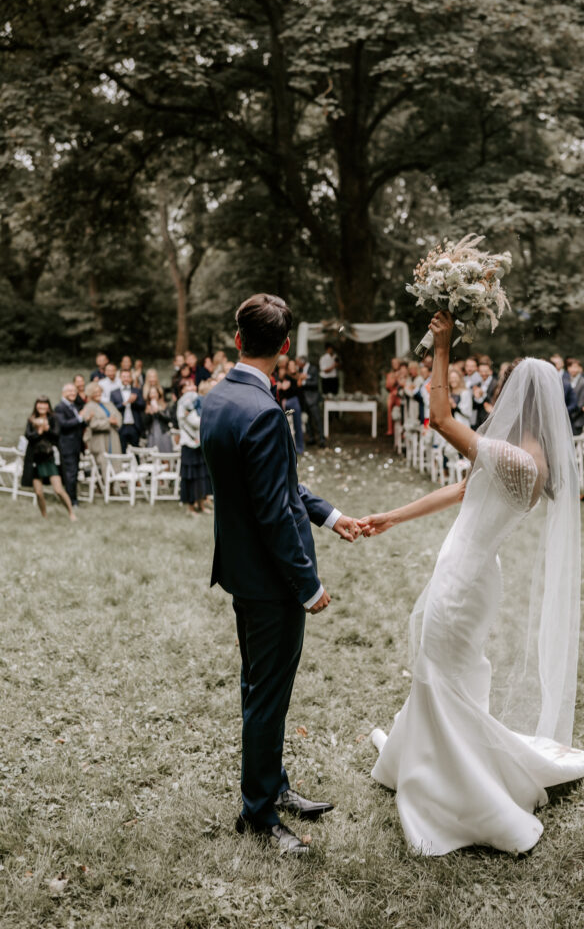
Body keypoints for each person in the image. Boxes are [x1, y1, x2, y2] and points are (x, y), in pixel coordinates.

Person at [360, 311, 584, 856]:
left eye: (504, 389)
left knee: (442, 670)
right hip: (467, 570)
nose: (497, 397)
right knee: (445, 672)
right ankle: (426, 758)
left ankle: (460, 789)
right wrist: (391, 515)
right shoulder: (518, 460)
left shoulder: (516, 461)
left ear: (518, 401)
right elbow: (459, 493)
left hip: (466, 579)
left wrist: (442, 347)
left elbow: (437, 415)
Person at [200, 293, 361, 856]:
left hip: (242, 571)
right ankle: (259, 814)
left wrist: (330, 515)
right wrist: (307, 584)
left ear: (238, 338)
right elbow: (271, 510)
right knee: (267, 694)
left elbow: (273, 486)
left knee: (259, 686)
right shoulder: (265, 410)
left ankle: (274, 785)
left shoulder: (218, 398)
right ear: (286, 348)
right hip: (270, 581)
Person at [21, 397, 76, 521]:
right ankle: (44, 516)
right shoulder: (31, 419)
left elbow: (57, 434)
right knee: (39, 492)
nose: (42, 407)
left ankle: (71, 513)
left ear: (48, 406)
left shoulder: (53, 418)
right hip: (35, 458)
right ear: (36, 406)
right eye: (40, 405)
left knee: (58, 489)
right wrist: (39, 432)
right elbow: (28, 436)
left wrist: (47, 430)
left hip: (50, 457)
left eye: (44, 405)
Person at [177, 381, 211, 515]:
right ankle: (190, 508)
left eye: (192, 385)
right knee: (190, 477)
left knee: (201, 476)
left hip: (198, 444)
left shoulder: (196, 400)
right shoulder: (183, 404)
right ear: (182, 390)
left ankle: (201, 504)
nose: (191, 388)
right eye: (187, 386)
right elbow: (195, 421)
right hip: (189, 444)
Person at [82, 381, 121, 477]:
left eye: (99, 391)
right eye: (95, 392)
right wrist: (108, 422)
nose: (98, 394)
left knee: (115, 461)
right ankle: (103, 485)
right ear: (90, 394)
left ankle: (114, 485)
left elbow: (118, 416)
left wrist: (116, 421)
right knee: (102, 462)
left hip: (112, 437)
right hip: (99, 440)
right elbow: (93, 424)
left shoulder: (108, 404)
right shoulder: (88, 407)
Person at [54, 383, 85, 506]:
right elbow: (63, 425)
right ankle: (71, 501)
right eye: (70, 391)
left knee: (74, 472)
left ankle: (71, 498)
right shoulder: (60, 407)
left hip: (76, 445)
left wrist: (84, 419)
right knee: (70, 474)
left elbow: (78, 424)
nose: (73, 393)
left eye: (74, 391)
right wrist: (79, 419)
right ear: (63, 393)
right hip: (67, 445)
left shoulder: (74, 407)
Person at [111, 369, 146, 452]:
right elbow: (112, 409)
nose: (126, 379)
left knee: (136, 451)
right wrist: (126, 403)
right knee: (121, 450)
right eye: (124, 377)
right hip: (121, 426)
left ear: (131, 378)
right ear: (120, 378)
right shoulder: (114, 393)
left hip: (134, 426)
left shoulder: (137, 391)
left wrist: (134, 402)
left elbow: (143, 406)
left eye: (128, 377)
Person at [297, 355, 326, 447]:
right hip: (304, 399)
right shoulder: (300, 370)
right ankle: (311, 438)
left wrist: (304, 382)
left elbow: (315, 383)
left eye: (298, 362)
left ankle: (321, 439)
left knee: (317, 419)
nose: (297, 364)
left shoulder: (313, 369)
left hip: (313, 398)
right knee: (307, 420)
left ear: (303, 362)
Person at [144, 386, 174, 452]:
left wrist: (158, 412)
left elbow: (168, 419)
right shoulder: (147, 407)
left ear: (158, 394)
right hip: (152, 434)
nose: (153, 395)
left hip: (163, 433)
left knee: (165, 455)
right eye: (151, 393)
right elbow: (145, 424)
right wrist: (149, 414)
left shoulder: (164, 405)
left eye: (154, 393)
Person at [471, 356, 498, 429]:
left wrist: (483, 394)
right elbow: (475, 406)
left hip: (491, 421)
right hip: (479, 421)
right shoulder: (478, 384)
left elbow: (495, 402)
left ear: (490, 371)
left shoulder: (496, 384)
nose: (483, 373)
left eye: (486, 371)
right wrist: (475, 397)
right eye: (481, 371)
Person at [566, 358, 584, 436]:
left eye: (575, 367)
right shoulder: (565, 381)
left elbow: (581, 403)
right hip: (565, 418)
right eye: (571, 367)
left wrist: (567, 413)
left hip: (576, 419)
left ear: (580, 368)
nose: (573, 369)